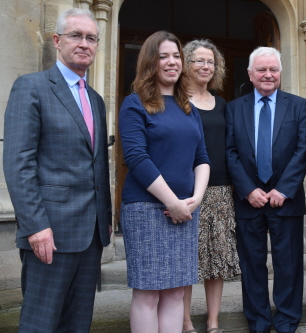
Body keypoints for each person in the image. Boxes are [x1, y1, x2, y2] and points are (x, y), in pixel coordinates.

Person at [3, 8, 111, 332]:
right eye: (75, 35)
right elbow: (17, 162)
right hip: (49, 234)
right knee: (40, 323)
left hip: (90, 236)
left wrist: (104, 222)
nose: (84, 43)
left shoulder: (96, 100)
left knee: (78, 324)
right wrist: (35, 226)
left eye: (91, 38)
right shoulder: (31, 87)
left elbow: (97, 166)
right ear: (57, 40)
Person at [118, 31, 210, 333]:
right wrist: (172, 201)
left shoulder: (189, 108)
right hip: (146, 210)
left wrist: (195, 199)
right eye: (163, 56)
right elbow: (136, 158)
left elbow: (202, 159)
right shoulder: (135, 104)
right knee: (148, 293)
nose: (172, 62)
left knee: (174, 292)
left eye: (176, 56)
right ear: (150, 62)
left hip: (186, 210)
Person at [225, 47, 306, 333]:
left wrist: (284, 189)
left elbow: (303, 149)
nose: (268, 75)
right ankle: (259, 321)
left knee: (288, 265)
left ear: (280, 73)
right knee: (252, 265)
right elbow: (230, 152)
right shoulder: (234, 108)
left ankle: (286, 320)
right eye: (261, 70)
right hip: (249, 202)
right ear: (250, 74)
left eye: (273, 69)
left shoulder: (298, 105)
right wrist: (248, 190)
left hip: (285, 201)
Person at [181, 39, 240, 333]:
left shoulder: (222, 104)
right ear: (186, 64)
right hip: (186, 192)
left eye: (211, 62)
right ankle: (186, 321)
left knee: (216, 262)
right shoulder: (176, 102)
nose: (206, 66)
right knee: (187, 262)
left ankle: (213, 321)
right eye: (199, 61)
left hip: (220, 191)